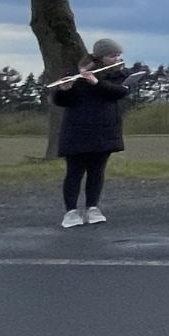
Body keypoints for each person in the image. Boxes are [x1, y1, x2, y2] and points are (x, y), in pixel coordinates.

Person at [54, 38, 140, 228]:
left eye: (118, 55)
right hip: (77, 130)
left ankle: (92, 208)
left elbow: (118, 93)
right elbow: (62, 101)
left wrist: (96, 82)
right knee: (74, 172)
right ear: (100, 57)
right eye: (112, 55)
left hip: (104, 131)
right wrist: (64, 89)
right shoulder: (77, 73)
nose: (116, 59)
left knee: (96, 171)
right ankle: (71, 212)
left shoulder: (119, 75)